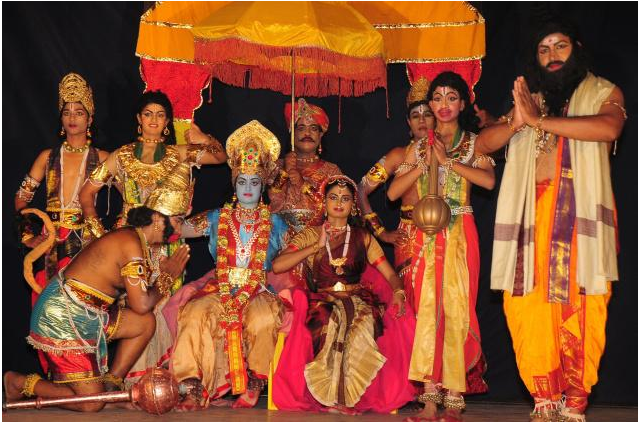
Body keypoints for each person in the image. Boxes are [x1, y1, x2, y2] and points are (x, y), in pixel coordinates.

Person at [475, 20, 625, 422]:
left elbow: (609, 128)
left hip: (579, 222)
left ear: (576, 49)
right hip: (531, 221)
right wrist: (516, 122)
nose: (552, 55)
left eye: (560, 46)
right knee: (526, 306)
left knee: (582, 306)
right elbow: (482, 145)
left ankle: (575, 400)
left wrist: (538, 123)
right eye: (544, 49)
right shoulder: (532, 101)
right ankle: (544, 398)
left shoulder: (603, 92)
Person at [78, 90, 227, 385]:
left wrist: (203, 137)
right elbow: (86, 193)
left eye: (160, 115)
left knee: (165, 307)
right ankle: (132, 381)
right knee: (135, 309)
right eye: (148, 114)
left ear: (168, 121)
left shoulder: (179, 153)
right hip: (130, 248)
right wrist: (100, 236)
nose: (154, 120)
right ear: (139, 118)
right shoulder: (121, 156)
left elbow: (221, 157)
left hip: (168, 247)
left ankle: (162, 381)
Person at [3, 202, 189, 412]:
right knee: (91, 403)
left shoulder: (137, 241)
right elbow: (141, 304)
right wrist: (167, 277)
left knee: (144, 323)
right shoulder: (131, 243)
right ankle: (17, 383)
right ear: (156, 219)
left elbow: (136, 305)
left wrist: (161, 277)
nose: (179, 229)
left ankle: (109, 389)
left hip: (91, 316)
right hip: (62, 317)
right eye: (177, 220)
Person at [388, 71, 495, 421]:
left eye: (451, 97)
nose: (443, 104)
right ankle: (430, 399)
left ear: (463, 103)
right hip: (425, 234)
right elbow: (392, 192)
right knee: (426, 311)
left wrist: (449, 162)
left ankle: (454, 397)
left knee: (457, 309)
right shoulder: (418, 147)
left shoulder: (474, 143)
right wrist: (423, 164)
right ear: (430, 105)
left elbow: (488, 181)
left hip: (461, 230)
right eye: (437, 98)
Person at [167, 120, 288, 411]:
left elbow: (295, 253)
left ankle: (256, 381)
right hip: (220, 287)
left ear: (263, 185)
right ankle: (191, 385)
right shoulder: (216, 217)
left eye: (254, 182)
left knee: (263, 318)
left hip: (258, 289)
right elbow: (178, 230)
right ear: (234, 184)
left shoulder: (277, 223)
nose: (248, 188)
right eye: (242, 181)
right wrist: (177, 207)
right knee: (194, 313)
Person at [271, 175, 415, 415]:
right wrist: (316, 246)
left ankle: (347, 397)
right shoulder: (311, 234)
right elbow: (278, 266)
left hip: (357, 300)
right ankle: (332, 396)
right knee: (330, 323)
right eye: (333, 197)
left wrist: (399, 291)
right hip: (321, 301)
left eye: (345, 198)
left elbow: (390, 274)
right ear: (324, 202)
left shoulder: (363, 237)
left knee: (362, 325)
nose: (339, 203)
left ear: (353, 205)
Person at [15, 73, 109, 302]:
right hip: (50, 242)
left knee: (82, 306)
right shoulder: (47, 157)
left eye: (79, 112)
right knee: (46, 304)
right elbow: (20, 199)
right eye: (67, 112)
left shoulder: (103, 158)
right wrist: (27, 235)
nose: (72, 118)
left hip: (87, 241)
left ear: (90, 118)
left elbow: (131, 195)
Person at [357, 77, 435, 307]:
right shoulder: (398, 156)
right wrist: (381, 232)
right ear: (408, 123)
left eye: (427, 114)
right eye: (415, 116)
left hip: (447, 233)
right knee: (415, 304)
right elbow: (361, 189)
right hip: (410, 238)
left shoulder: (450, 152)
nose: (422, 120)